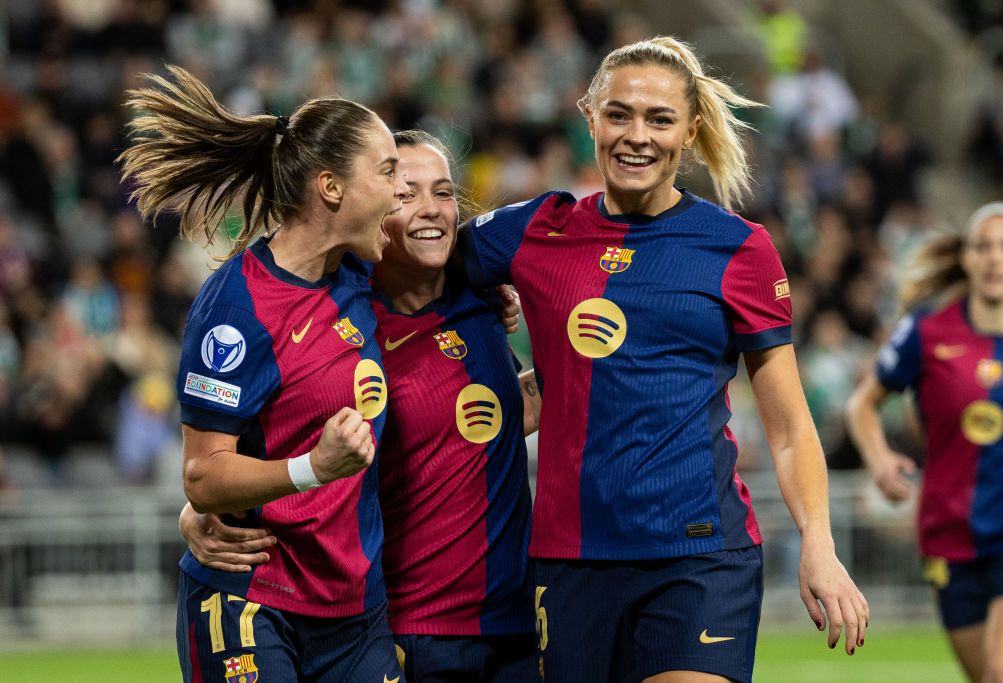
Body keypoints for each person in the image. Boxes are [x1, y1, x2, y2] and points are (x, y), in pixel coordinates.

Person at [457, 36, 868, 683]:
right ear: (588, 114)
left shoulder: (740, 250)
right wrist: (486, 327)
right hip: (569, 557)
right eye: (618, 113)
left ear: (691, 130)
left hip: (701, 555)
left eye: (659, 118)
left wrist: (818, 542)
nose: (635, 136)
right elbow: (410, 278)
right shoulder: (533, 230)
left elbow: (789, 429)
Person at [179, 131, 542, 682]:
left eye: (444, 193)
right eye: (402, 191)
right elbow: (245, 438)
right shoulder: (343, 302)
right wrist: (198, 508)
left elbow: (500, 417)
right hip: (401, 625)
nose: (429, 209)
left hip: (507, 624)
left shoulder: (480, 294)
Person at [117, 65, 408, 683]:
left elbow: (455, 256)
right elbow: (203, 475)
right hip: (252, 598)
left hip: (355, 612)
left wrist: (498, 299)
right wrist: (313, 468)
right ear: (331, 187)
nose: (400, 189)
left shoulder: (359, 276)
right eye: (386, 171)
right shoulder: (235, 311)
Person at [848, 202, 1003, 683]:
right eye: (983, 247)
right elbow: (862, 404)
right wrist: (880, 458)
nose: (995, 259)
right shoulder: (927, 331)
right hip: (948, 532)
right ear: (965, 257)